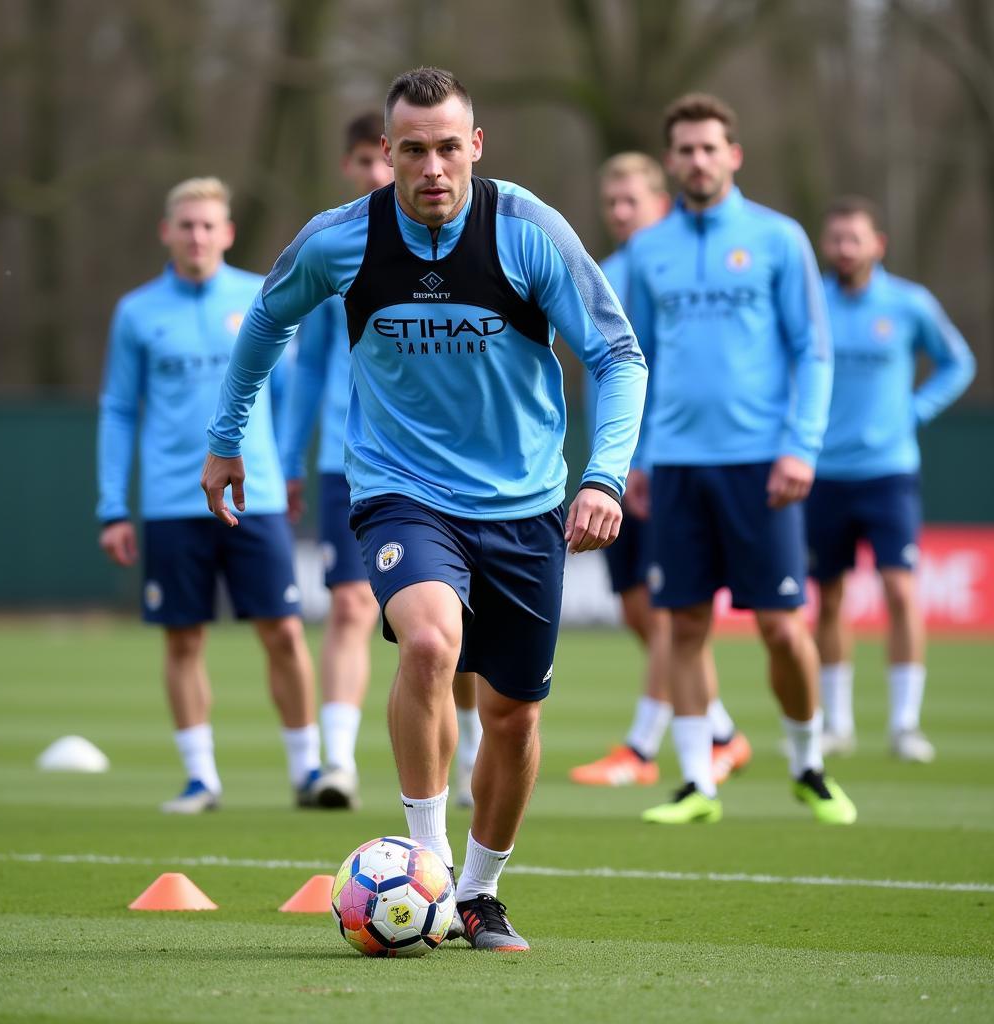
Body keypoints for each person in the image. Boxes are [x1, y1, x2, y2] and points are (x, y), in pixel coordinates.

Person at [201, 67, 646, 950]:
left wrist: (602, 477)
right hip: (400, 490)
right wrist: (225, 438)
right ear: (384, 155)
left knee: (513, 715)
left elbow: (619, 356)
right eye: (411, 150)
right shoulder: (341, 240)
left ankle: (480, 892)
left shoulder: (527, 232)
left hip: (524, 503)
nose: (432, 166)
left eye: (449, 147)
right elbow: (263, 325)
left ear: (475, 147)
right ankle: (429, 862)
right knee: (433, 642)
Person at [626, 93, 856, 825]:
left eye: (709, 147)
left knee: (783, 627)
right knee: (683, 625)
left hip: (762, 466)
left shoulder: (779, 239)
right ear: (671, 162)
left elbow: (812, 350)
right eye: (685, 149)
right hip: (677, 468)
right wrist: (631, 457)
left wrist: (801, 446)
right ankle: (698, 782)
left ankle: (807, 761)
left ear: (734, 155)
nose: (698, 160)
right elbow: (630, 360)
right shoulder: (646, 251)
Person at [96, 176, 326, 814]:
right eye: (186, 225)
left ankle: (309, 772)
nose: (197, 236)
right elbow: (118, 408)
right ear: (167, 232)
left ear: (226, 233)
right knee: (183, 638)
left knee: (282, 630)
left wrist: (287, 471)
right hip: (173, 500)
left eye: (208, 225)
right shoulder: (137, 313)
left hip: (258, 497)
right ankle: (201, 778)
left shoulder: (260, 296)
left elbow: (288, 395)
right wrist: (113, 504)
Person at [279, 112, 482, 809]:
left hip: (453, 467)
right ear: (362, 163)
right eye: (370, 159)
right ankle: (336, 763)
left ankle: (468, 754)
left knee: (449, 632)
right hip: (356, 464)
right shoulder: (337, 247)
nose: (377, 171)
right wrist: (287, 460)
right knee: (348, 606)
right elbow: (304, 371)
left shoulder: (451, 242)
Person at [569, 153, 750, 788]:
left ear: (661, 203)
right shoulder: (601, 272)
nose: (620, 213)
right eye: (611, 203)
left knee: (669, 611)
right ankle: (722, 731)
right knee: (640, 609)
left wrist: (640, 461)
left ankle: (643, 748)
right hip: (615, 465)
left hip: (656, 466)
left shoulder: (666, 275)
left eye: (632, 202)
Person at [809, 196, 976, 761]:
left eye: (854, 238)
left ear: (878, 244)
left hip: (887, 473)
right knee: (827, 599)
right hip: (822, 472)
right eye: (834, 239)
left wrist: (918, 408)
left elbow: (958, 361)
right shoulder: (810, 305)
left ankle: (905, 724)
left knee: (901, 592)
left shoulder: (909, 304)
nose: (843, 249)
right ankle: (837, 722)